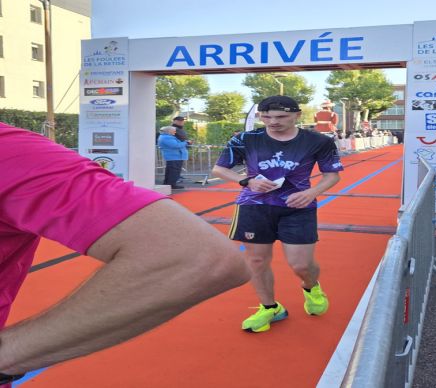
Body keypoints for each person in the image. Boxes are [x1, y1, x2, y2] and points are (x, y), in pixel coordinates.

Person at [0, 122, 250, 385]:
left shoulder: (9, 148)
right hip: (257, 198)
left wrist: (9, 355)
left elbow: (197, 257)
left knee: (267, 258)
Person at [212, 95, 343, 333]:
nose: (273, 122)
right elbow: (219, 169)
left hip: (298, 206)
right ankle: (270, 307)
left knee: (301, 264)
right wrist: (247, 181)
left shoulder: (318, 141)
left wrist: (311, 193)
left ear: (297, 115)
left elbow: (332, 175)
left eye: (281, 116)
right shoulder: (245, 139)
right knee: (256, 260)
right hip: (254, 205)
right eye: (266, 117)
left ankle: (311, 287)